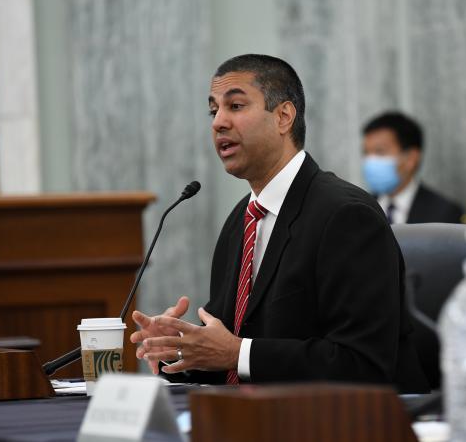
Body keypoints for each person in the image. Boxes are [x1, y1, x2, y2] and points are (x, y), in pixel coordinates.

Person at [130, 54, 428, 393]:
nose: (218, 123)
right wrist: (182, 349)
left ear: (284, 116)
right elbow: (225, 359)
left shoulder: (346, 216)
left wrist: (237, 352)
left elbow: (362, 363)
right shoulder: (240, 221)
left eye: (236, 106)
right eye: (214, 111)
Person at [361, 112, 464, 224]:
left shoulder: (445, 213)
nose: (370, 161)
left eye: (380, 152)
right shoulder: (360, 209)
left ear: (411, 158)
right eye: (366, 153)